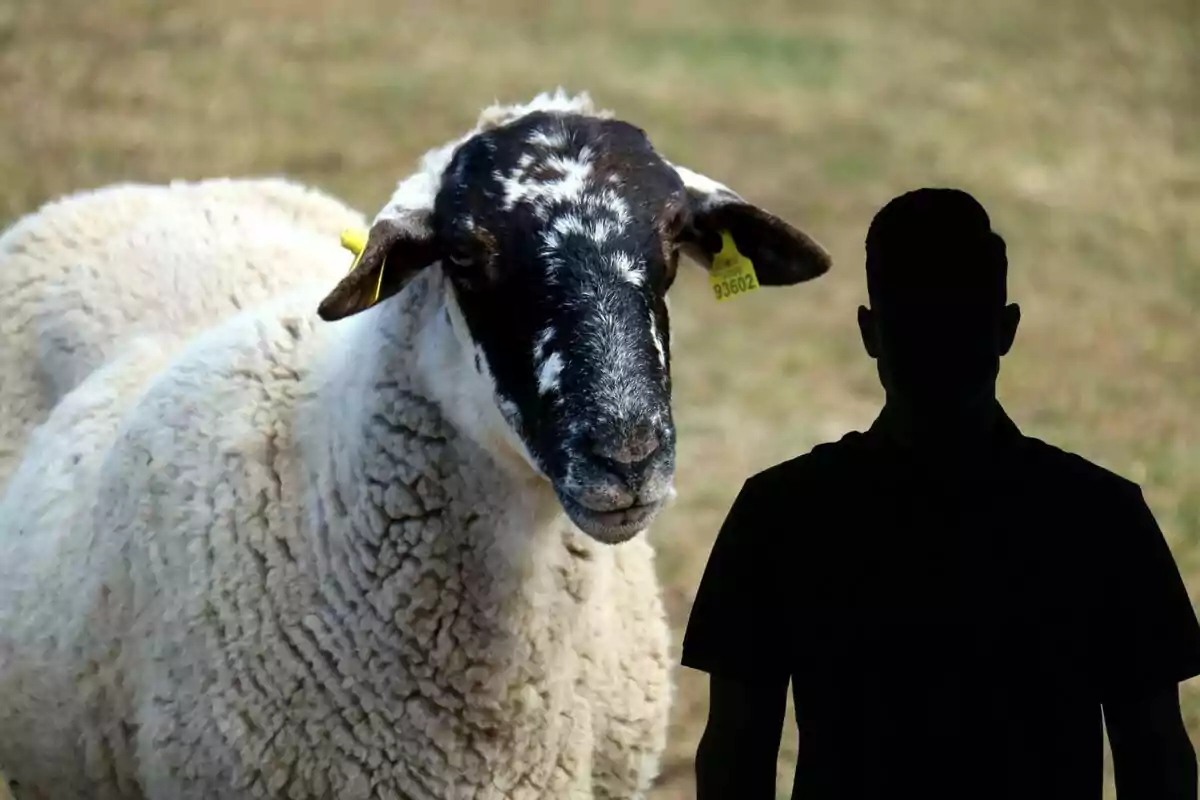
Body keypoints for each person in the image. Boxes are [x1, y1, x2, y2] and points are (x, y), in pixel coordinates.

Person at [681, 187, 1200, 799]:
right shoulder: (1102, 517)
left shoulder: (778, 514)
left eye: (949, 323)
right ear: (1006, 330)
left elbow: (735, 759)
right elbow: (1160, 762)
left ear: (870, 332)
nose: (937, 344)